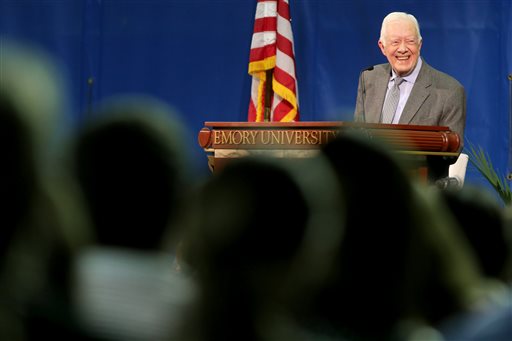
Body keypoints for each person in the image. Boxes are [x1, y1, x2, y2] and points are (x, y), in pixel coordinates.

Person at [354, 12, 466, 145]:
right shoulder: (369, 77)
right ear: (382, 47)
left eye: (410, 41)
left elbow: (452, 149)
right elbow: (357, 135)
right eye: (395, 42)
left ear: (419, 45)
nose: (402, 49)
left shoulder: (449, 91)